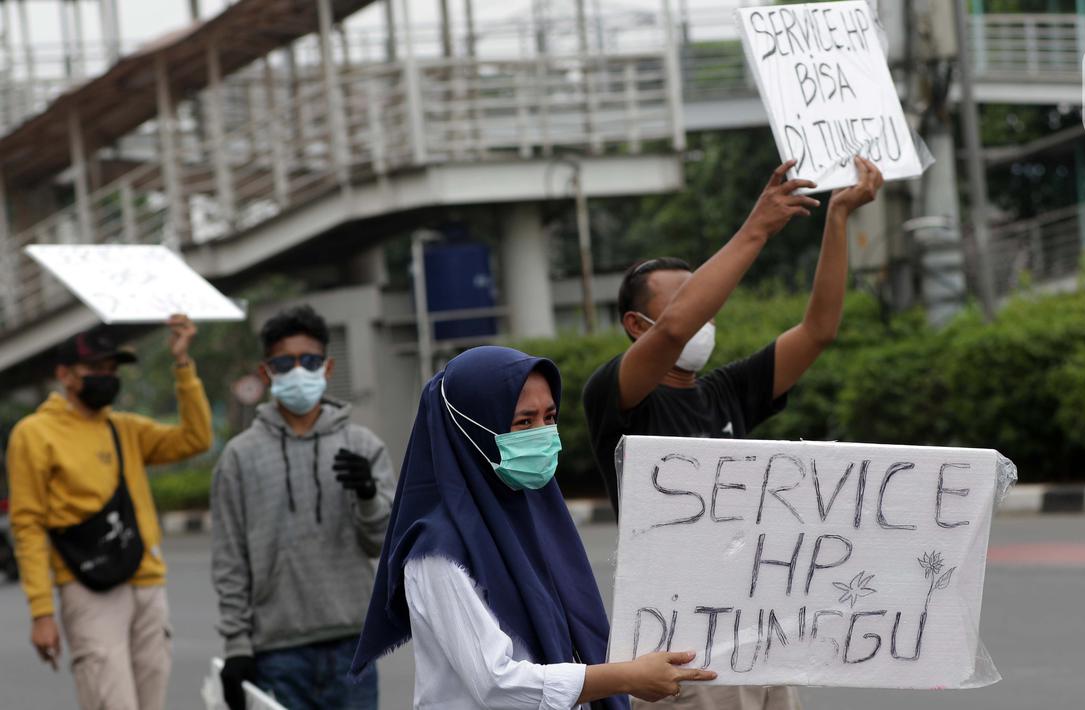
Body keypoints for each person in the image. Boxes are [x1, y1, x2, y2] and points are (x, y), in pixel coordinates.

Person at [582, 157, 883, 709]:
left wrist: (837, 218)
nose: (703, 315)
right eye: (690, 299)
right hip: (682, 646)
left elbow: (819, 331)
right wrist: (757, 228)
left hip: (758, 628)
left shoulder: (724, 392)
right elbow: (675, 329)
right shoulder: (619, 397)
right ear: (634, 326)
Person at [350, 346, 718, 709]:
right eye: (524, 422)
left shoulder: (535, 511)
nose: (544, 434)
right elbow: (495, 683)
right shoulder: (437, 551)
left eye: (549, 417)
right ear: (472, 430)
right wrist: (624, 677)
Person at [7, 316, 212, 710]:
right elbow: (28, 525)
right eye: (95, 369)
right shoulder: (34, 434)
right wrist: (42, 612)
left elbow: (196, 438)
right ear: (65, 375)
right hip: (88, 590)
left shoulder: (125, 429)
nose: (107, 377)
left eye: (111, 369)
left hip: (147, 581)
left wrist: (183, 364)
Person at [211, 305, 395, 710]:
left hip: (354, 645)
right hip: (276, 651)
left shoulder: (362, 446)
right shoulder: (239, 458)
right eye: (285, 362)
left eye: (309, 361)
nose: (298, 371)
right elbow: (230, 561)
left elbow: (382, 544)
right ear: (266, 373)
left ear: (327, 369)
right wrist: (237, 644)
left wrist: (367, 496)